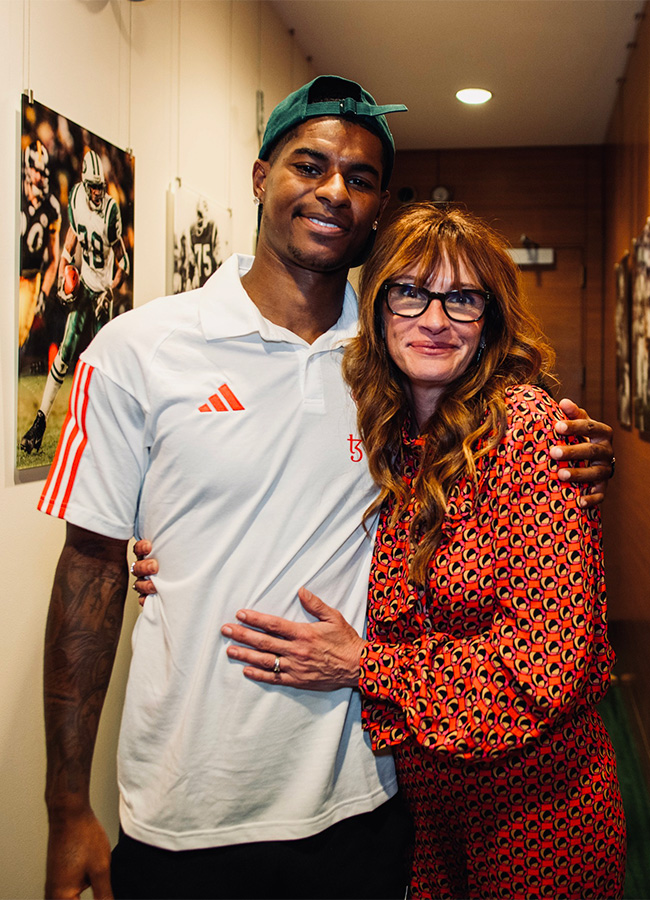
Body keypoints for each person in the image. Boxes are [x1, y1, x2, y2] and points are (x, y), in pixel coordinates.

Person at [41, 76, 613, 900]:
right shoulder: (138, 350)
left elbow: (502, 456)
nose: (334, 191)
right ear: (260, 175)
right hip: (187, 806)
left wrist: (583, 451)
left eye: (362, 177)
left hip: (370, 801)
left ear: (380, 206)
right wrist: (66, 805)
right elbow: (89, 566)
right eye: (309, 165)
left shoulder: (392, 357)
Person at [216, 204, 626, 899]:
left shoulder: (526, 432)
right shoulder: (385, 433)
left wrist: (363, 665)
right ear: (376, 311)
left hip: (537, 809)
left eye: (461, 298)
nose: (434, 319)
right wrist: (164, 551)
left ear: (489, 320)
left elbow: (547, 670)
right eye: (410, 291)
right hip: (422, 804)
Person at [21, 149, 129, 455]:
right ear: (84, 183)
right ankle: (40, 420)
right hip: (83, 286)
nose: (97, 192)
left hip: (101, 292)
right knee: (66, 348)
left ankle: (106, 430)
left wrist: (110, 288)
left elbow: (123, 262)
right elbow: (72, 237)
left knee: (103, 364)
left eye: (100, 186)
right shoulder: (76, 199)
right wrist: (63, 267)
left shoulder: (110, 211)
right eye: (92, 186)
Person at [19, 139, 61, 350]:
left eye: (42, 172)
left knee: (17, 334)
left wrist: (44, 292)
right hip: (7, 274)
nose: (39, 177)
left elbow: (54, 260)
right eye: (36, 170)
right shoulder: (14, 193)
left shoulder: (51, 208)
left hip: (29, 278)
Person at [189, 197, 221, 288]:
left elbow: (218, 257)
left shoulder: (212, 227)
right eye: (198, 214)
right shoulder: (192, 231)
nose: (199, 219)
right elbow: (191, 261)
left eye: (201, 214)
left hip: (210, 284)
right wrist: (190, 278)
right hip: (198, 286)